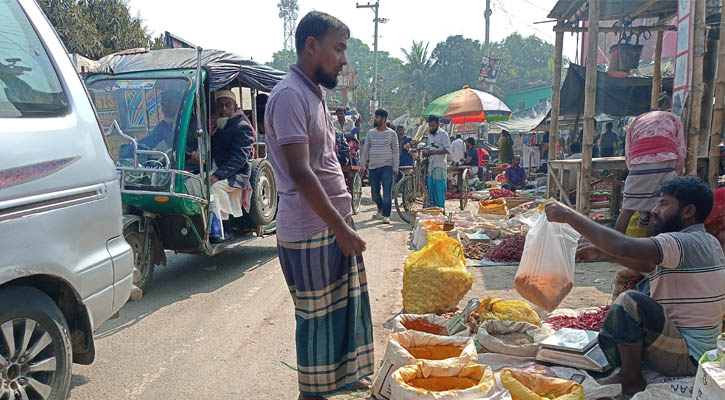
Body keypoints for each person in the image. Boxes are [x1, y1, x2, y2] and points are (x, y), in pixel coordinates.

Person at [264, 11, 373, 399]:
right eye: (338, 49)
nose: (343, 60)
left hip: (329, 224)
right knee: (317, 327)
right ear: (312, 46)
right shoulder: (290, 96)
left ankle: (334, 386)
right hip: (313, 231)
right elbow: (299, 171)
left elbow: (320, 160)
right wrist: (341, 229)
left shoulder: (313, 93)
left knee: (340, 318)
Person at [545, 177, 725, 395]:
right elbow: (647, 266)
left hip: (687, 357)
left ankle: (630, 378)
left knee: (630, 301)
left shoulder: (681, 242)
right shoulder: (706, 241)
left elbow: (623, 246)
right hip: (698, 351)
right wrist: (602, 253)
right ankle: (631, 369)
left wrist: (569, 216)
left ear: (688, 212)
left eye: (664, 204)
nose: (654, 210)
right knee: (646, 286)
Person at [614, 111, 686, 235]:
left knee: (627, 208)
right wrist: (676, 168)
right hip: (666, 160)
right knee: (656, 208)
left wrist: (633, 169)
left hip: (639, 161)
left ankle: (612, 247)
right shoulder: (674, 118)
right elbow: (681, 147)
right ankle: (650, 248)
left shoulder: (636, 120)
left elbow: (628, 149)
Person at [208, 90, 255, 242]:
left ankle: (225, 228)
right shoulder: (214, 125)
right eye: (220, 106)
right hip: (215, 170)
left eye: (228, 105)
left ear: (235, 106)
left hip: (237, 174)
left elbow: (239, 159)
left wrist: (218, 175)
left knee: (216, 188)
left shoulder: (242, 127)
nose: (224, 109)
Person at [360, 109, 399, 224]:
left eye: (377, 117)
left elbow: (395, 151)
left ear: (384, 119)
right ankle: (380, 208)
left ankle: (386, 215)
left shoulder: (392, 133)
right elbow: (365, 149)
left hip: (387, 166)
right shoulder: (370, 133)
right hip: (373, 167)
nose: (375, 119)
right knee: (375, 192)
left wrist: (395, 167)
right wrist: (362, 165)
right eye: (375, 117)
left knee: (387, 191)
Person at [425, 115, 450, 208]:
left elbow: (448, 150)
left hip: (439, 164)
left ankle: (440, 209)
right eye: (430, 126)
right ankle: (432, 209)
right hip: (431, 164)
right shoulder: (430, 134)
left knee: (439, 189)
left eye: (433, 126)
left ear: (438, 123)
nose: (431, 128)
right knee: (430, 188)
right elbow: (429, 146)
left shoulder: (443, 134)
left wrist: (435, 152)